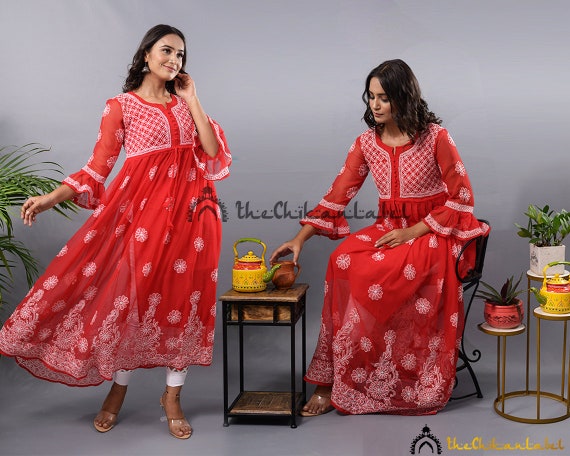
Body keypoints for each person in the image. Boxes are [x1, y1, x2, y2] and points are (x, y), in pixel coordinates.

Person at [0, 24, 231, 439]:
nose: (174, 60)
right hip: (142, 221)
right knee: (130, 301)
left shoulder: (186, 105)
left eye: (180, 54)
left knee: (184, 300)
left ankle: (172, 397)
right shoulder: (121, 106)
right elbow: (97, 167)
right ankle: (118, 389)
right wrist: (50, 198)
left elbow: (213, 152)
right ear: (146, 54)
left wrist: (193, 99)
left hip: (195, 218)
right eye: (167, 50)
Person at [270, 59, 489, 416]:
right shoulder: (367, 143)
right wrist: (300, 239)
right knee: (341, 260)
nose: (375, 104)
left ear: (404, 97)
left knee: (381, 273)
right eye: (371, 96)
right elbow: (337, 195)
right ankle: (333, 379)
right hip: (389, 228)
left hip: (432, 232)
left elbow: (462, 197)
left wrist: (413, 231)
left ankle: (397, 371)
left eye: (384, 97)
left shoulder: (436, 137)